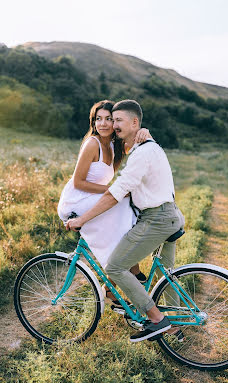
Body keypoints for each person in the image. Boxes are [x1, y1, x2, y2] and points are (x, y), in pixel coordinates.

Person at [67, 99, 185, 343]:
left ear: (134, 122)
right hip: (169, 215)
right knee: (168, 276)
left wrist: (83, 219)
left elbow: (112, 194)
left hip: (157, 219)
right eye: (112, 119)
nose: (113, 124)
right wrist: (141, 133)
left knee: (115, 267)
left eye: (117, 120)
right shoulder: (146, 146)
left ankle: (157, 321)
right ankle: (175, 327)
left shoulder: (142, 153)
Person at [58, 100, 151, 307]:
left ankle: (113, 285)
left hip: (92, 197)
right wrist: (114, 192)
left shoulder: (113, 145)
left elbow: (136, 141)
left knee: (126, 215)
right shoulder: (93, 143)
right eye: (98, 119)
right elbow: (78, 182)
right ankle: (132, 272)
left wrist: (143, 131)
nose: (102, 123)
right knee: (121, 207)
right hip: (76, 199)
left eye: (108, 119)